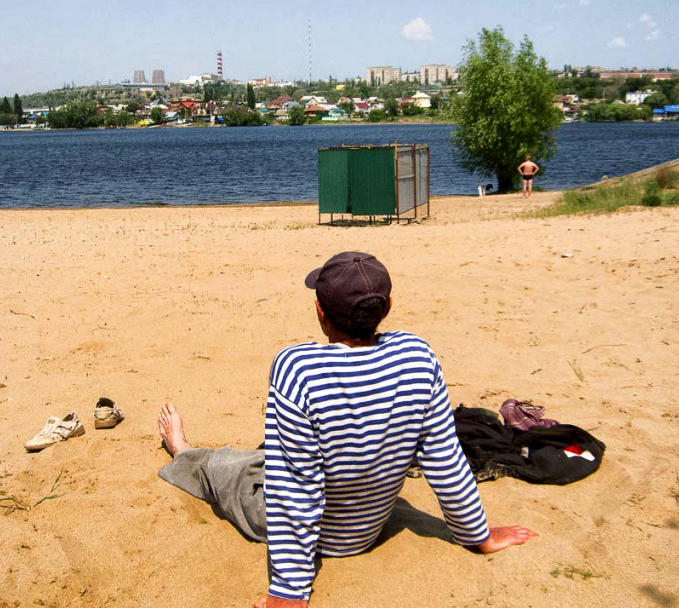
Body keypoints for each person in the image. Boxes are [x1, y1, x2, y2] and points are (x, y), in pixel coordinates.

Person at [157, 251, 537, 608]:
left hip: (324, 537)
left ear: (320, 313)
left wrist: (290, 591)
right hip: (368, 528)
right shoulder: (417, 354)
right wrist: (479, 536)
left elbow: (296, 488)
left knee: (228, 468)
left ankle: (183, 451)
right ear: (387, 308)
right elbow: (444, 457)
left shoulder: (298, 367)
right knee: (269, 453)